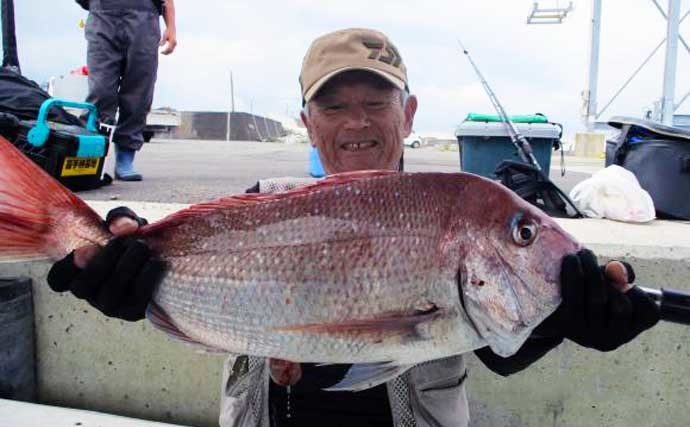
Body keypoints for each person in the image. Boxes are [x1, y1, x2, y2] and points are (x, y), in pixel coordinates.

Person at [47, 28, 660, 427]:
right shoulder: (260, 207)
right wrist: (123, 258)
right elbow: (172, 255)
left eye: (376, 101)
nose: (355, 123)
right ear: (308, 122)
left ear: (409, 112)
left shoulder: (449, 207)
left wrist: (562, 318)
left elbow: (496, 343)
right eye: (334, 106)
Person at [75, 0, 177, 181]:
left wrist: (171, 27)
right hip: (102, 17)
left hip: (144, 19)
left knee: (139, 90)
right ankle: (90, 157)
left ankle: (125, 157)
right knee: (100, 90)